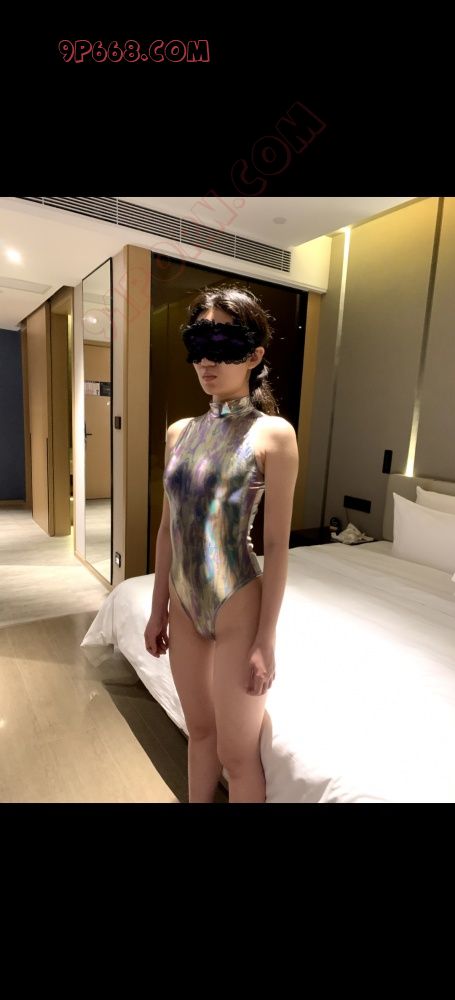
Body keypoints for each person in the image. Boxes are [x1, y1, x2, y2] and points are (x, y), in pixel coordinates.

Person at [144, 285, 299, 803]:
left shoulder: (273, 434)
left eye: (223, 346)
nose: (207, 361)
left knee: (238, 754)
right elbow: (167, 528)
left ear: (253, 355)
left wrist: (266, 639)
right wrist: (158, 607)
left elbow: (276, 544)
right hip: (184, 602)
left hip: (238, 603)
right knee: (199, 732)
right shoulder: (179, 432)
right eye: (198, 345)